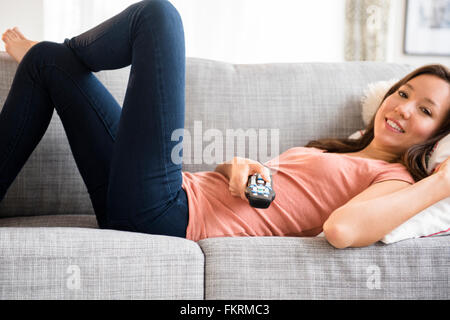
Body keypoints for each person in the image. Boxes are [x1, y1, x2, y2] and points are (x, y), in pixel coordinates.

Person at [1, 0, 449, 249]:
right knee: (44, 63)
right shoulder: (340, 150)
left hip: (168, 215)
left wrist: (441, 183)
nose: (404, 108)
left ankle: (71, 55)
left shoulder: (394, 180)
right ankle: (59, 58)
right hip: (160, 200)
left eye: (426, 111)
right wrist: (233, 168)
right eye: (405, 93)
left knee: (159, 17)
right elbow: (266, 201)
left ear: (438, 138)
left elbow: (342, 230)